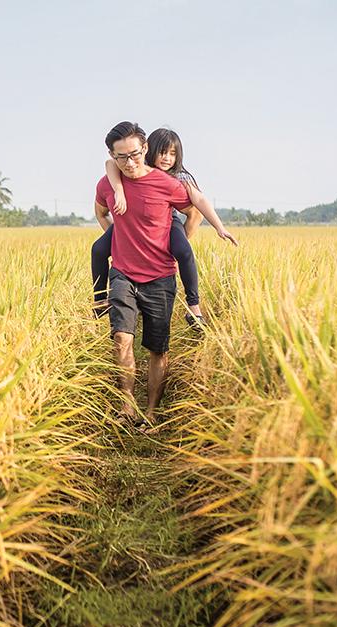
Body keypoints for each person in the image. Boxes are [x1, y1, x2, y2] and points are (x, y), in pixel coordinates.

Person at [93, 121, 235, 426]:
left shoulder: (166, 183)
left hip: (160, 277)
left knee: (158, 349)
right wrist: (116, 235)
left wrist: (206, 232)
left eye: (134, 154)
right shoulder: (107, 183)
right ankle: (127, 406)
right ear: (112, 156)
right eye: (122, 158)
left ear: (145, 149)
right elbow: (100, 210)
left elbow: (194, 206)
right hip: (123, 273)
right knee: (121, 339)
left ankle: (152, 412)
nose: (129, 163)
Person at [91, 127, 237, 328]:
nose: (167, 158)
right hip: (132, 223)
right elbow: (110, 163)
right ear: (149, 150)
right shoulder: (134, 166)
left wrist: (219, 228)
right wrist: (119, 192)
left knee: (184, 252)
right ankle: (100, 302)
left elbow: (199, 203)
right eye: (162, 152)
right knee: (98, 249)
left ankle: (194, 308)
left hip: (168, 221)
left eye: (172, 153)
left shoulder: (180, 178)